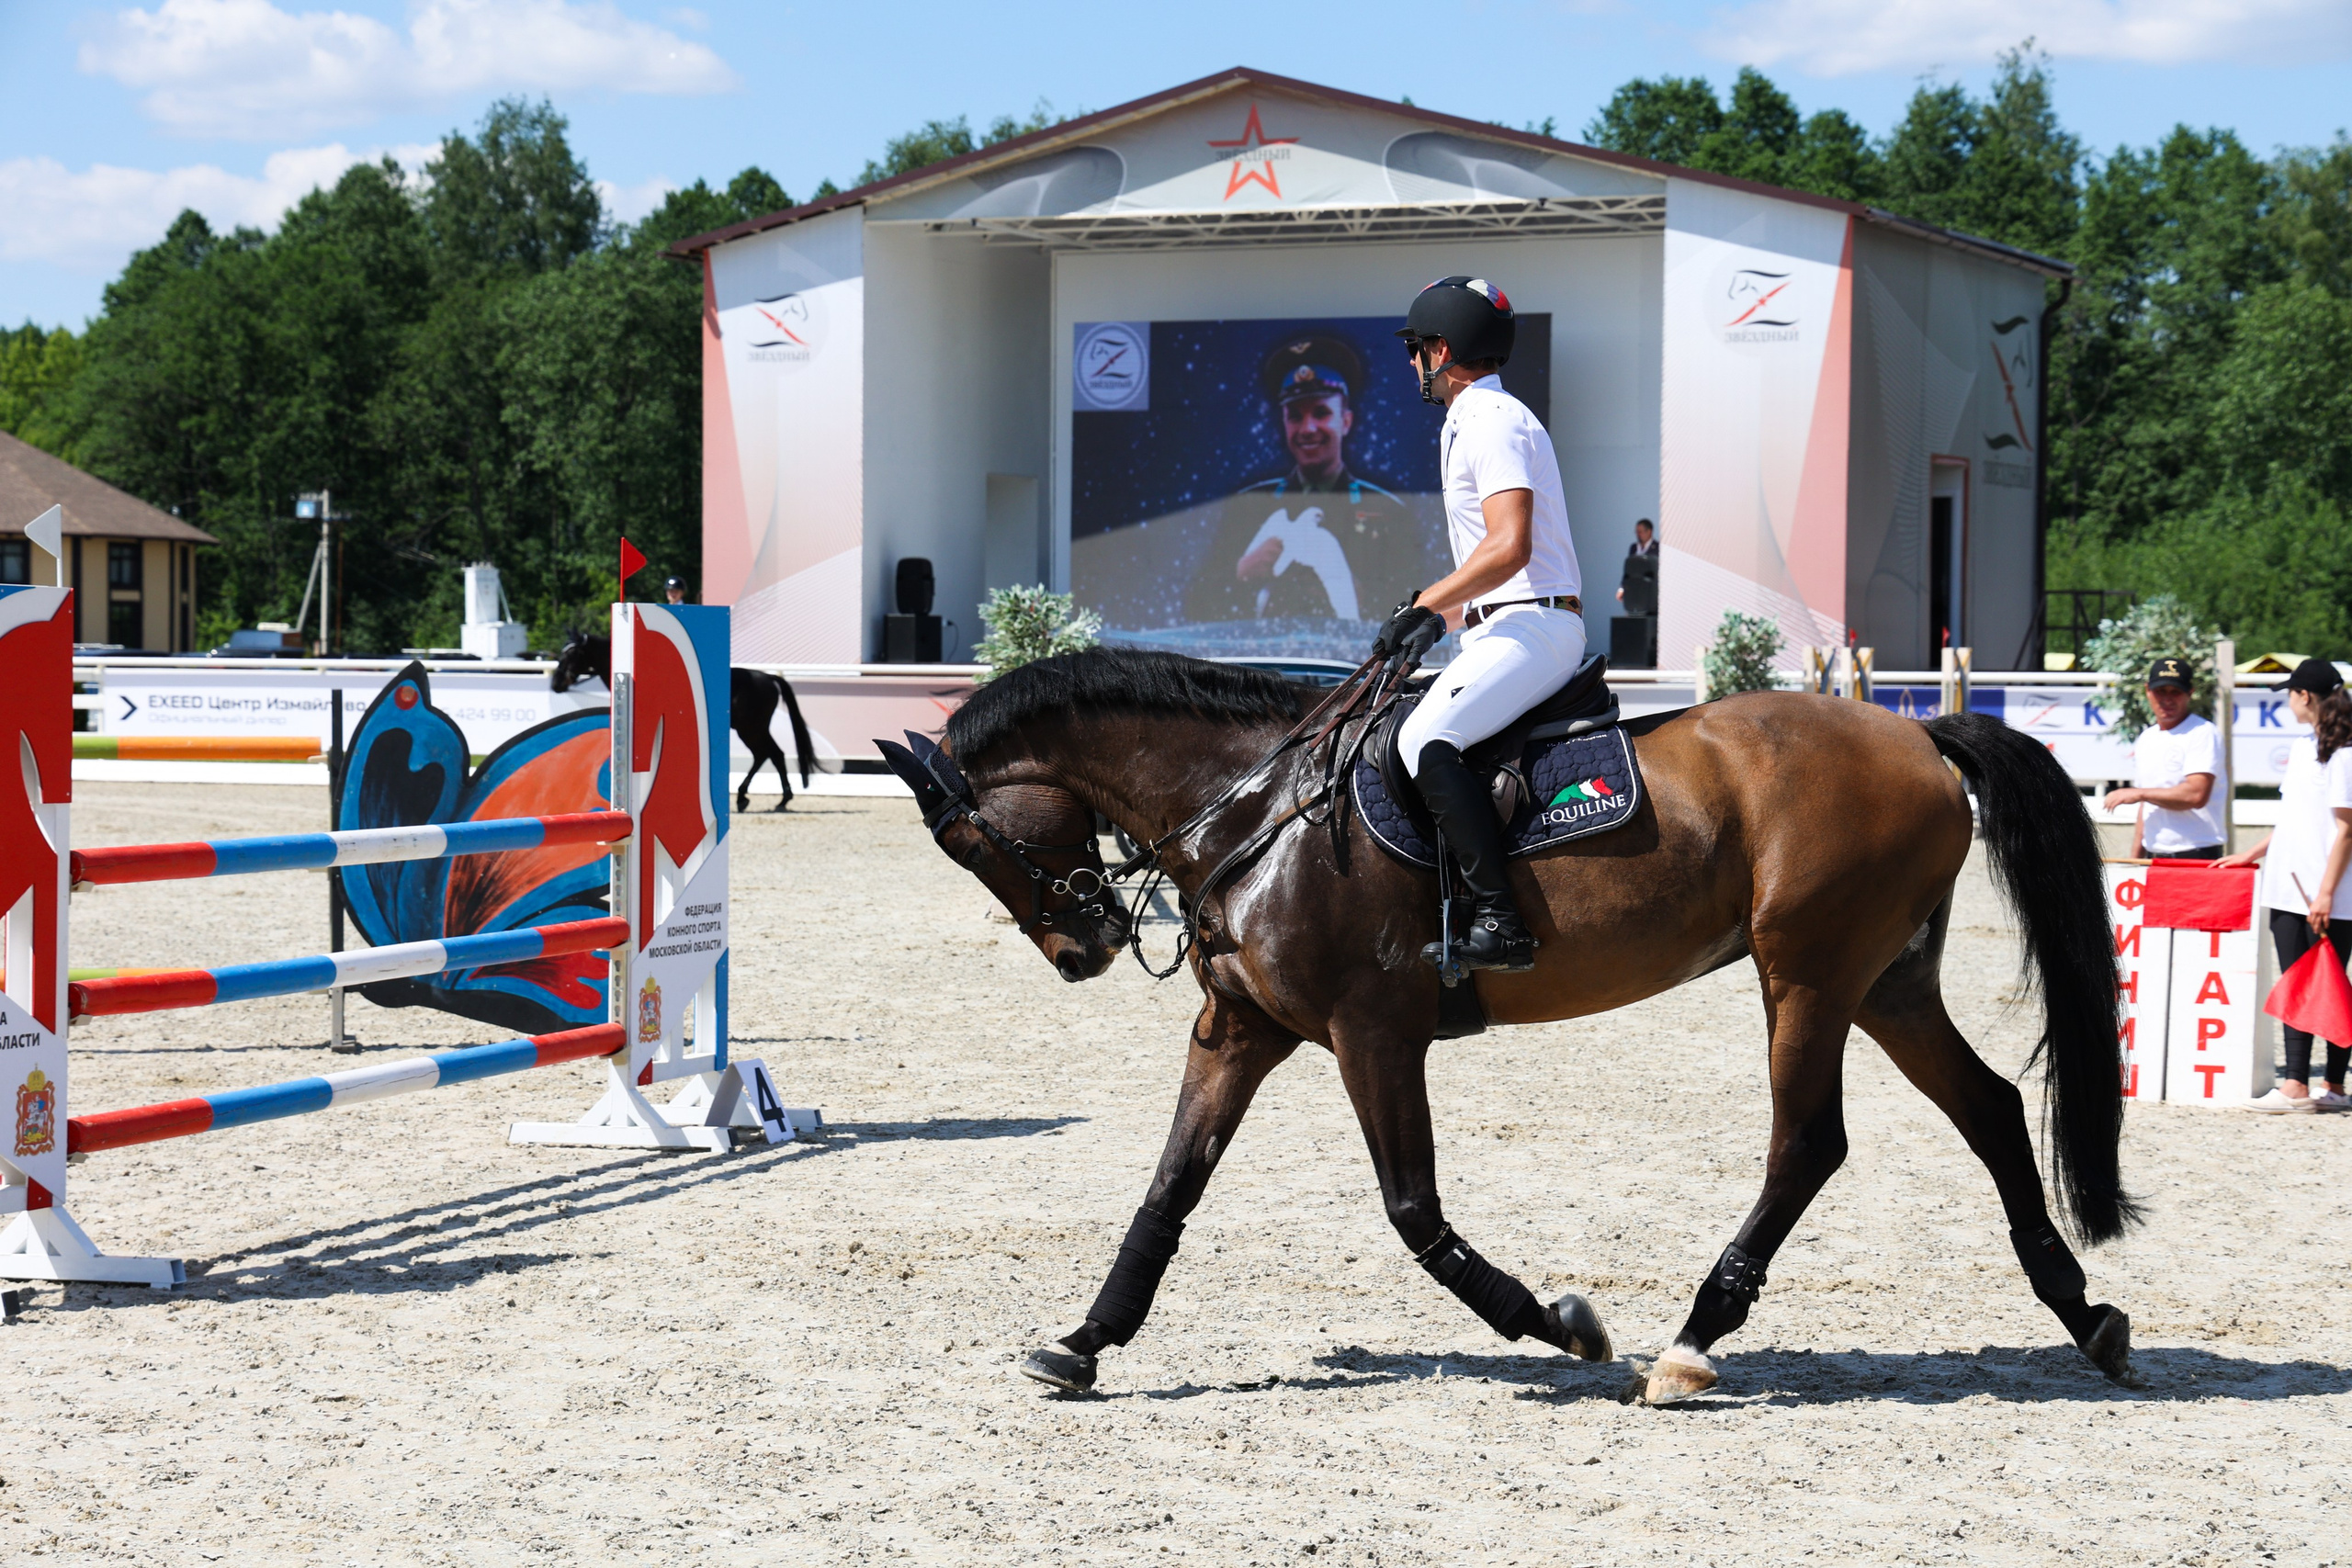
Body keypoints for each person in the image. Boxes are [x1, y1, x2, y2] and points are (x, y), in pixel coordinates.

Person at [1371, 276, 1584, 974]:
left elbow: (1510, 545)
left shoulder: (1490, 420)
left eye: (1415, 350)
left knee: (1428, 738)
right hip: (1505, 622)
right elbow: (1498, 568)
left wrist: (1429, 601)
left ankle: (1499, 916)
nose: (1412, 364)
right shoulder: (1472, 419)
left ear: (1442, 348)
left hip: (1536, 627)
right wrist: (1434, 616)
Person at [1183, 332, 1422, 624]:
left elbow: (1417, 605)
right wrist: (1242, 572)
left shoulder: (1387, 511)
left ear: (1345, 421)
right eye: (1295, 416)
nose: (1308, 428)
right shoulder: (1248, 506)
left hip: (1353, 665)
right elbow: (1195, 608)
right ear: (1284, 424)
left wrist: (1359, 593)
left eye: (1321, 413)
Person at [2216, 658, 2352, 1111]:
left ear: (2305, 696)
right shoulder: (2301, 748)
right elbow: (2294, 818)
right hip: (2288, 885)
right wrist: (2252, 853)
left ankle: (2322, 1085)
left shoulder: (2346, 753)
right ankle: (2305, 1084)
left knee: (2327, 984)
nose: (2289, 701)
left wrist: (2328, 893)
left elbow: (2347, 829)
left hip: (2326, 891)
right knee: (2299, 981)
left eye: (2291, 693)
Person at [2102, 657, 2228, 860]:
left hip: (2197, 850)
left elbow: (2196, 795)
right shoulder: (2147, 738)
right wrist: (2135, 858)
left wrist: (2139, 794)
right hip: (2155, 852)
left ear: (2190, 693)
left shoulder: (2202, 733)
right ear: (2148, 691)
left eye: (2175, 692)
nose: (2167, 699)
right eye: (2161, 691)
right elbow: (2147, 806)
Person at [1615, 518, 1657, 606]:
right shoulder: (1634, 548)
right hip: (1634, 589)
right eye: (1637, 532)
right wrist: (1622, 588)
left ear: (1649, 531)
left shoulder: (1657, 548)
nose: (1638, 535)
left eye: (1640, 532)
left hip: (1650, 591)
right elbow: (1628, 570)